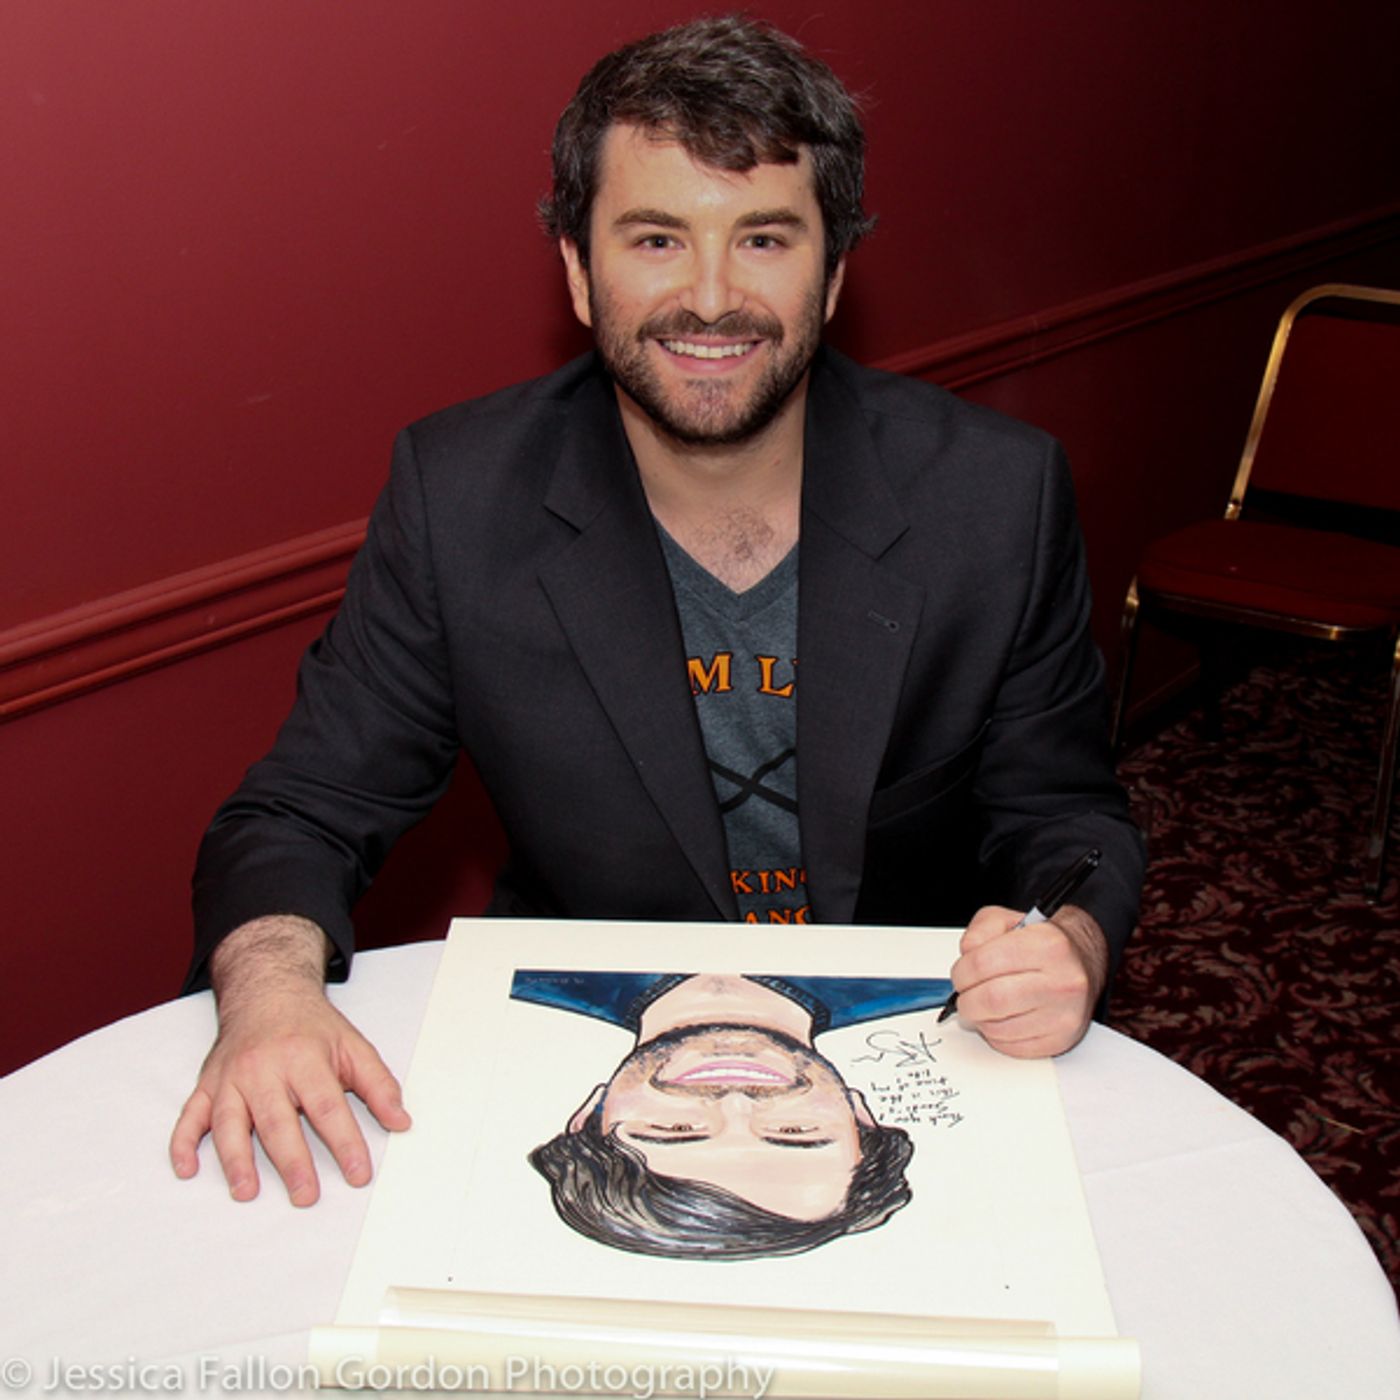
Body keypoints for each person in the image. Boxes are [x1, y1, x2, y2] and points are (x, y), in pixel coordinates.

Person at [170, 15, 1145, 1209]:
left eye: (765, 237)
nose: (710, 296)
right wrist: (271, 991)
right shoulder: (460, 493)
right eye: (653, 236)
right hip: (583, 1047)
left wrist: (1072, 943)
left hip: (931, 1043)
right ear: (579, 272)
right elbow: (300, 808)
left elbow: (1063, 815)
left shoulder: (996, 494)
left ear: (832, 271)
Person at [514, 971, 936, 1258]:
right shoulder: (944, 984)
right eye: (795, 1131)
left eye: (674, 1129)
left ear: (589, 1114)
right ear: (860, 1116)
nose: (736, 1103)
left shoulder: (523, 976)